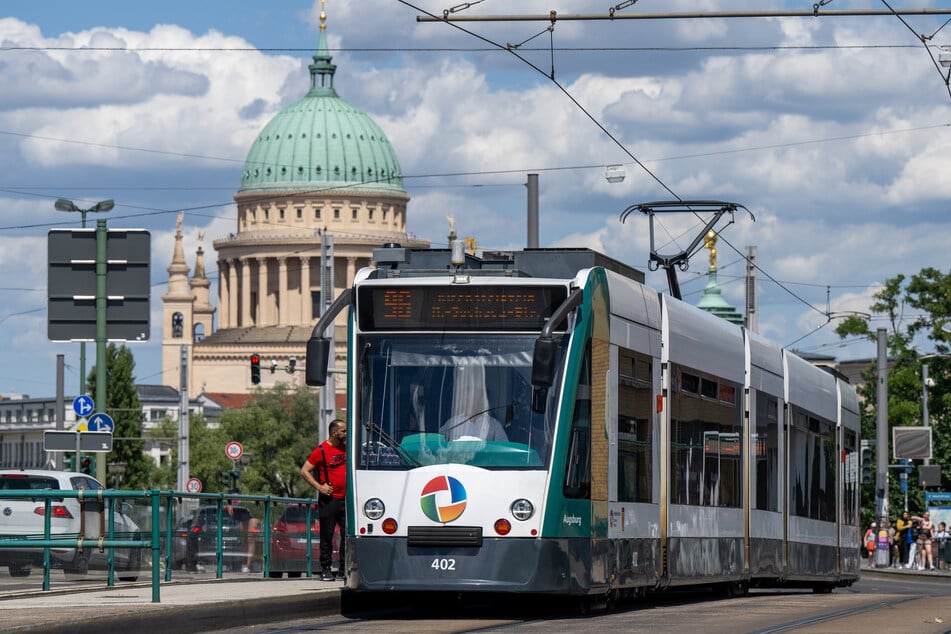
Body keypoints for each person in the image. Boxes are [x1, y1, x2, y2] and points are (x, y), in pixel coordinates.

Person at [301, 418, 347, 582]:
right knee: (326, 536)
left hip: (346, 500)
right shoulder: (320, 451)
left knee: (347, 535)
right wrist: (319, 487)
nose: (346, 434)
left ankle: (343, 569)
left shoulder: (347, 448)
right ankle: (326, 569)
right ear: (334, 432)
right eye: (343, 431)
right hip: (329, 500)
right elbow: (304, 471)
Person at [439, 362, 508, 441]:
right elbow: (438, 446)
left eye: (474, 395)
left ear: (482, 398)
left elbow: (504, 450)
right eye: (466, 395)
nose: (469, 399)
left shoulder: (494, 425)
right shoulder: (452, 424)